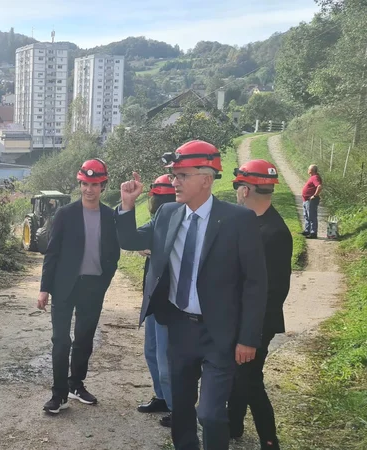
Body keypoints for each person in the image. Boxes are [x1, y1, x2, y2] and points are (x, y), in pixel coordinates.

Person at [115, 140, 268, 450]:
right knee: (182, 410)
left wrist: (248, 338)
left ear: (206, 179)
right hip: (180, 329)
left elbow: (256, 282)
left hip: (220, 333)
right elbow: (131, 239)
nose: (175, 182)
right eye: (174, 175)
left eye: (182, 175)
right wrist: (128, 205)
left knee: (210, 414)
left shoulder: (238, 221)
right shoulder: (168, 214)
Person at [37, 158, 121, 414]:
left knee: (84, 339)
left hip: (92, 287)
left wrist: (103, 282)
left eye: (95, 184)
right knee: (60, 340)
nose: (89, 189)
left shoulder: (110, 217)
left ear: (103, 186)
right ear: (80, 183)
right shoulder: (65, 214)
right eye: (85, 183)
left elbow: (113, 255)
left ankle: (76, 385)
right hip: (64, 287)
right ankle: (58, 394)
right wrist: (44, 288)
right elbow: (52, 254)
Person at [228, 160, 293, 449]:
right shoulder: (252, 223)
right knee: (238, 375)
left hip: (257, 322)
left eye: (236, 188)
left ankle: (269, 438)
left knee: (250, 378)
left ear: (244, 190)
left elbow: (275, 291)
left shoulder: (273, 233)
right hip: (241, 317)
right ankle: (233, 424)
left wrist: (250, 335)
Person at [137, 175, 176, 428]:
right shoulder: (158, 221)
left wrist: (156, 249)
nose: (153, 203)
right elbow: (135, 236)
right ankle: (162, 397)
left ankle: (177, 408)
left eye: (156, 198)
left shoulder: (178, 221)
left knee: (166, 360)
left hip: (167, 303)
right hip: (152, 299)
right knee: (151, 352)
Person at [301, 165, 323, 239]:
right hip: (306, 200)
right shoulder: (312, 177)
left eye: (309, 169)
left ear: (312, 170)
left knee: (312, 216)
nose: (308, 170)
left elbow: (319, 186)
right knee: (306, 216)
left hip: (311, 200)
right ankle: (307, 230)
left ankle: (313, 233)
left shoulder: (315, 177)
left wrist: (315, 195)